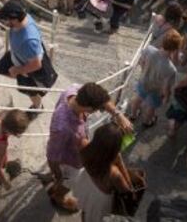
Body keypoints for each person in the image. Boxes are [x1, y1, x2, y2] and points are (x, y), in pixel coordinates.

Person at [46, 82, 132, 210]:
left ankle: (57, 186)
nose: (102, 109)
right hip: (70, 160)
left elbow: (103, 100)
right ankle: (58, 197)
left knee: (67, 180)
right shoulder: (62, 127)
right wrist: (57, 175)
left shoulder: (76, 89)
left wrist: (117, 114)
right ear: (90, 108)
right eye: (99, 108)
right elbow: (52, 154)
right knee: (69, 181)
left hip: (75, 149)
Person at [0, 1, 52, 115]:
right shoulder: (22, 16)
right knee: (0, 68)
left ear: (14, 19)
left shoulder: (29, 40)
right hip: (17, 56)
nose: (3, 21)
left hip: (28, 67)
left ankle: (37, 107)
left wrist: (18, 71)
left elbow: (36, 64)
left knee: (31, 92)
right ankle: (20, 80)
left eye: (6, 19)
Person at [74, 123, 133, 222]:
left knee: (85, 209)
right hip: (99, 199)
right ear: (114, 150)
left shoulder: (83, 146)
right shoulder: (114, 173)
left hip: (85, 183)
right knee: (95, 217)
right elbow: (127, 189)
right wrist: (120, 161)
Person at [130, 30, 182, 127]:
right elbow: (166, 87)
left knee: (138, 98)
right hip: (156, 90)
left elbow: (141, 62)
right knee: (152, 107)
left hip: (143, 81)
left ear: (163, 41)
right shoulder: (171, 69)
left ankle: (133, 115)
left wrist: (145, 71)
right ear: (175, 49)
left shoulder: (149, 50)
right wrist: (166, 97)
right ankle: (147, 122)